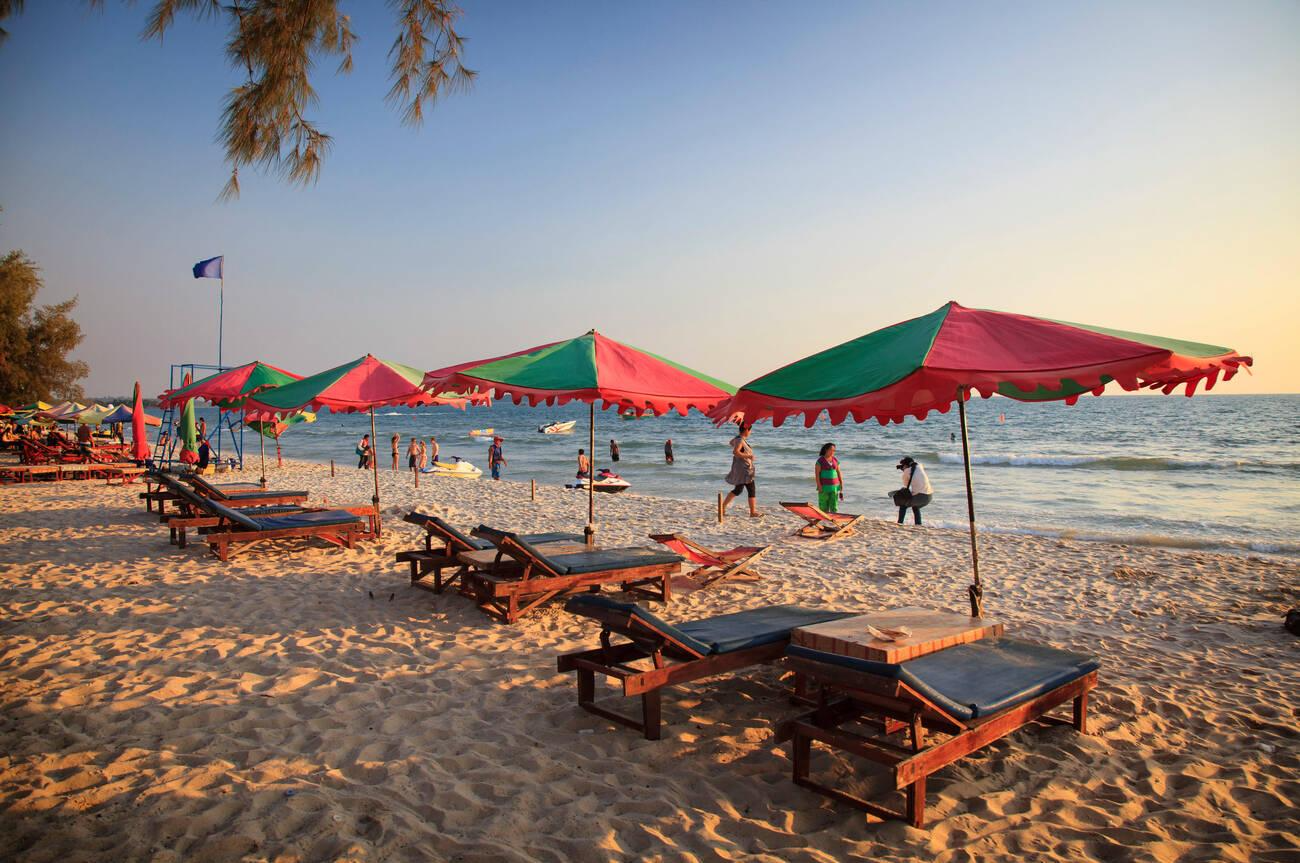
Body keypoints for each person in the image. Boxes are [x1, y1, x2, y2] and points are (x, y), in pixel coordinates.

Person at [721, 423, 761, 518]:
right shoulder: (740, 440)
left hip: (742, 470)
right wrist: (749, 456)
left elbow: (731, 443)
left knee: (738, 490)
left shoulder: (739, 439)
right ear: (747, 430)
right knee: (751, 489)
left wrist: (738, 438)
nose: (750, 433)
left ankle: (722, 507)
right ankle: (752, 512)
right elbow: (735, 452)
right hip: (744, 471)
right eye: (750, 430)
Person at [896, 456, 933, 525]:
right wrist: (905, 469)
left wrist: (905, 471)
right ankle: (918, 524)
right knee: (915, 506)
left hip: (921, 497)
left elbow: (905, 484)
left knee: (903, 505)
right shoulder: (920, 466)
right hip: (929, 496)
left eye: (903, 465)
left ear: (905, 465)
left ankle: (899, 523)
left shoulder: (907, 471)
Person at [815, 443, 844, 514]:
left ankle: (834, 521)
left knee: (834, 505)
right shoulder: (820, 461)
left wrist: (841, 483)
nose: (833, 452)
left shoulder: (835, 460)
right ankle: (823, 521)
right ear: (826, 450)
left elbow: (839, 472)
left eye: (834, 450)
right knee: (823, 505)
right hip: (824, 486)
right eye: (831, 450)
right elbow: (817, 475)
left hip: (834, 486)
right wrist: (819, 485)